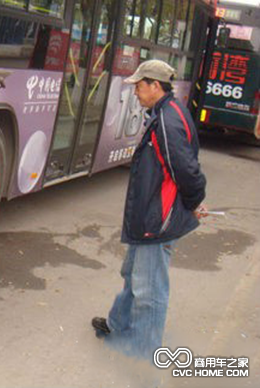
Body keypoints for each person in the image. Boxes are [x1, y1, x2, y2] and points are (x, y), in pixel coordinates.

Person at [91, 59, 207, 361]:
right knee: (133, 274)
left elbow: (188, 171)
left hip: (157, 219)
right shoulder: (166, 113)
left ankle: (143, 353)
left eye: (139, 86)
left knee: (150, 289)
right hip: (150, 214)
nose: (136, 92)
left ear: (155, 86)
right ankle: (119, 325)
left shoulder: (166, 122)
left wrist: (194, 203)